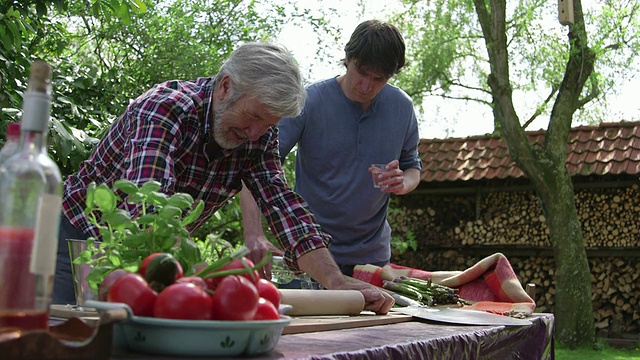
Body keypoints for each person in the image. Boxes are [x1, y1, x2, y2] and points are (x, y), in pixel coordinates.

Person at [53, 42, 394, 314]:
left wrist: (334, 281)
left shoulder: (259, 137)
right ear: (225, 87)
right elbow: (148, 209)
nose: (255, 133)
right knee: (65, 338)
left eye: (268, 125)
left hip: (147, 253)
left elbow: (284, 207)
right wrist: (215, 273)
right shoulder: (164, 109)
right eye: (253, 116)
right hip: (74, 240)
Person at [240, 20, 422, 279]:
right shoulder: (309, 101)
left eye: (378, 79)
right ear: (348, 58)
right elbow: (253, 167)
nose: (367, 86)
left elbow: (412, 166)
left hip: (374, 258)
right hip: (312, 252)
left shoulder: (402, 107)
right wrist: (254, 233)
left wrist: (403, 182)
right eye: (362, 71)